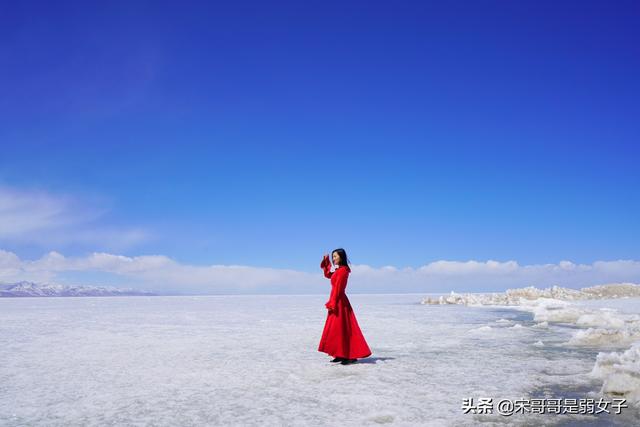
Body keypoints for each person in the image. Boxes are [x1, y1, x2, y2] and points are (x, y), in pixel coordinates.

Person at [317, 248, 372, 365]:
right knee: (336, 329)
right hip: (336, 300)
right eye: (333, 257)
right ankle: (340, 354)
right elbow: (328, 275)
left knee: (342, 328)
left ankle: (350, 356)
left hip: (339, 302)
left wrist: (333, 302)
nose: (333, 259)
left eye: (335, 256)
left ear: (341, 257)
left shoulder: (343, 271)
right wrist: (326, 263)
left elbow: (338, 289)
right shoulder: (338, 270)